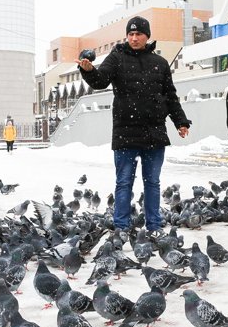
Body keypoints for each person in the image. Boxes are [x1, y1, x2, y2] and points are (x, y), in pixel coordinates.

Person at [76, 16, 190, 233]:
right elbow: (101, 81)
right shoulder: (117, 57)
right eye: (131, 34)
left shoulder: (160, 63)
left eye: (138, 34)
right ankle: (121, 228)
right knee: (124, 183)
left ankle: (154, 226)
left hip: (154, 132)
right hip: (125, 133)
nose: (134, 38)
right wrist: (89, 70)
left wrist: (180, 122)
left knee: (153, 183)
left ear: (147, 36)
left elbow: (171, 97)